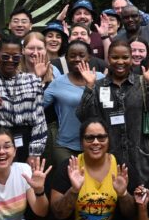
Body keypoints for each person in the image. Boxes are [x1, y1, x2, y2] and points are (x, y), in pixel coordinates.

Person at [76, 41, 149, 187]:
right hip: (108, 158)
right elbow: (83, 116)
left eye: (125, 57)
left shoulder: (142, 82)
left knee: (141, 200)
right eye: (115, 57)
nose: (120, 62)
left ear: (131, 59)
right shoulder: (98, 86)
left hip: (139, 157)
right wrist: (89, 87)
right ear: (108, 59)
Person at [44, 41, 105, 170]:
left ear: (89, 57)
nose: (77, 59)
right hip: (66, 145)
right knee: (67, 184)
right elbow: (38, 106)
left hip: (96, 144)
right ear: (66, 58)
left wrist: (91, 86)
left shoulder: (101, 79)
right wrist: (39, 79)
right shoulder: (58, 82)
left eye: (81, 55)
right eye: (72, 56)